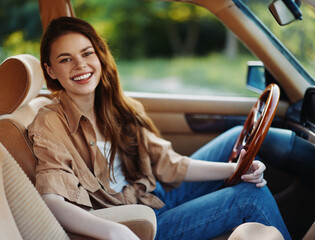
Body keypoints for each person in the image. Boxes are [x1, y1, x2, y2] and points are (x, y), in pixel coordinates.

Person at [27, 16, 291, 240]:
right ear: (50, 70)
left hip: (148, 192)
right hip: (138, 220)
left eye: (86, 53)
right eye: (65, 59)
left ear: (99, 55)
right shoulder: (49, 121)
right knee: (250, 197)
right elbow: (51, 200)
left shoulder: (112, 104)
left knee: (235, 137)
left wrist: (236, 169)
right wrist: (113, 232)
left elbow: (169, 163)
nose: (80, 65)